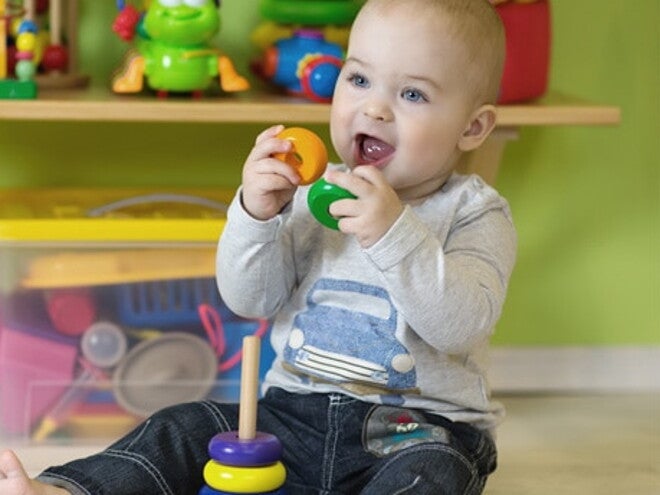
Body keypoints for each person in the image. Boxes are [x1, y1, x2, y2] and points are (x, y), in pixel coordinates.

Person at [0, 0, 515, 493]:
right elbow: (249, 300)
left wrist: (394, 234)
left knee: (435, 474)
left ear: (472, 127)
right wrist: (255, 214)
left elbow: (460, 325)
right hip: (289, 417)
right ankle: (68, 491)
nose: (374, 108)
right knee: (182, 425)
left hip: (419, 430)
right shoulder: (309, 194)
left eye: (413, 95)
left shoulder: (474, 212)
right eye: (359, 79)